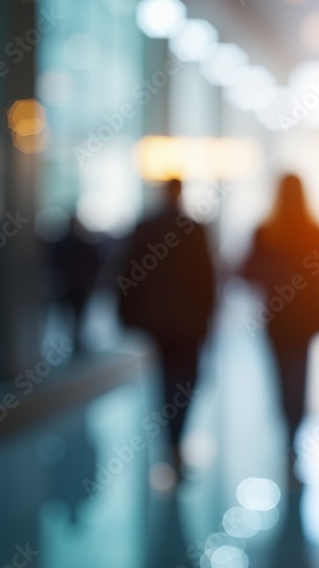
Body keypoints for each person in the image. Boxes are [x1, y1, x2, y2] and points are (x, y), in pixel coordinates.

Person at [118, 179, 216, 473]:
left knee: (164, 379)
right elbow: (206, 280)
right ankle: (176, 439)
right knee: (185, 381)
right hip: (187, 323)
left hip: (158, 321)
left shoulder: (147, 227)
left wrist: (127, 314)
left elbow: (128, 274)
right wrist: (209, 317)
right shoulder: (193, 229)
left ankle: (169, 441)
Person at [241, 174, 319, 455]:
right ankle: (294, 431)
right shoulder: (314, 232)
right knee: (300, 376)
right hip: (303, 318)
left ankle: (287, 431)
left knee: (280, 375)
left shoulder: (266, 232)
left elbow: (249, 271)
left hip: (278, 316)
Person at [50, 217, 101, 351]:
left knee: (74, 313)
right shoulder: (81, 243)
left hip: (73, 285)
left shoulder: (65, 244)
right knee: (75, 313)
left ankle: (75, 336)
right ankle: (76, 336)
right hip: (75, 285)